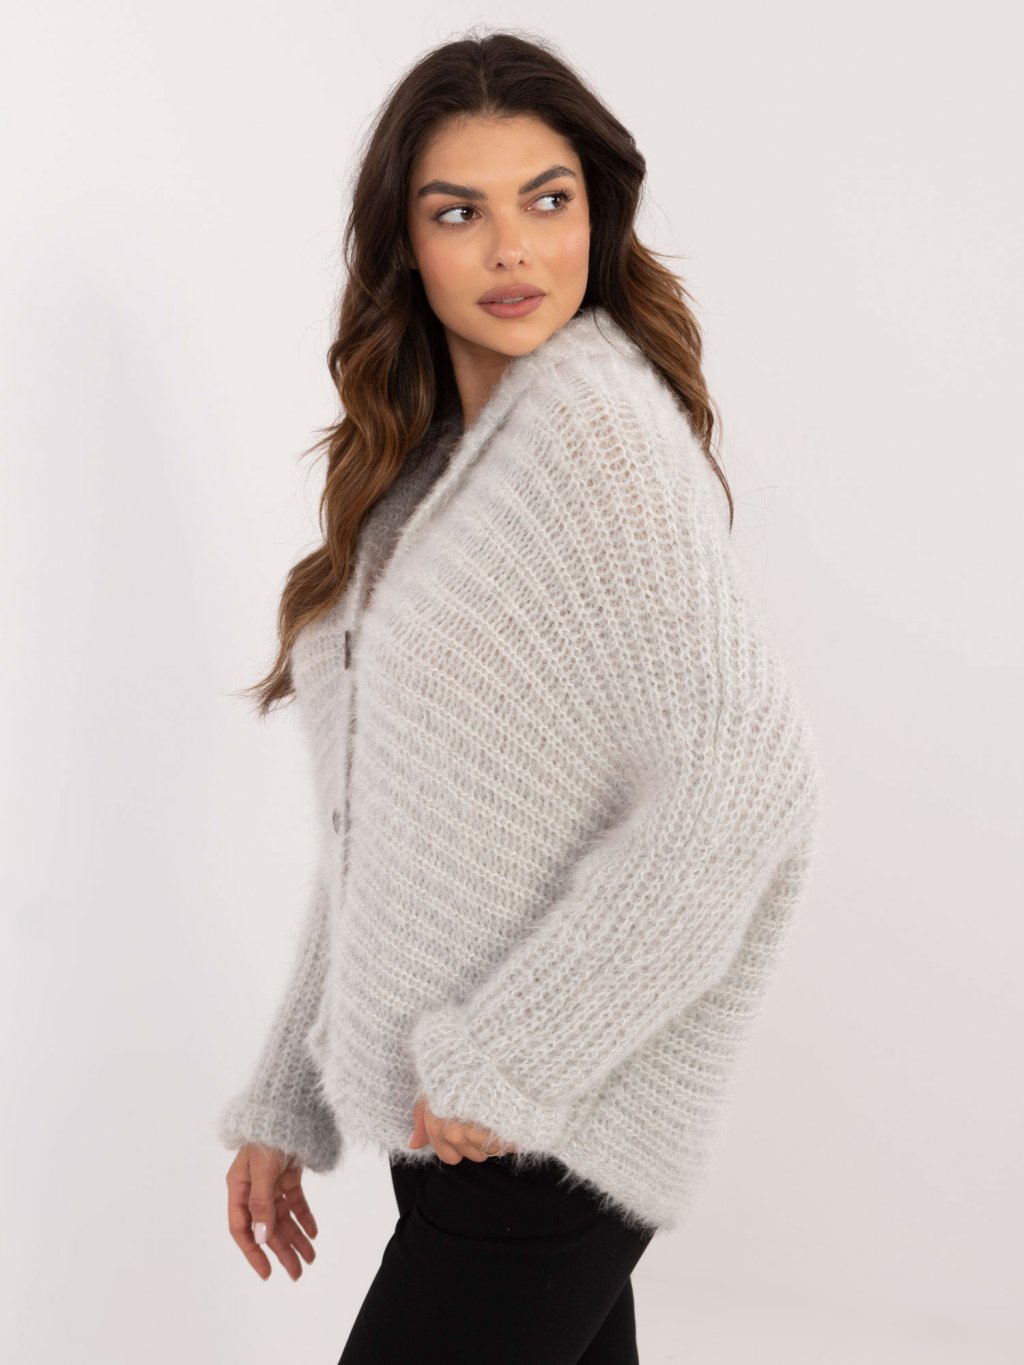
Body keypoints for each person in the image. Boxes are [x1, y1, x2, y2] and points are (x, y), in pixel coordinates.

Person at [218, 29, 823, 1365]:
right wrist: (286, 1089)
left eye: (548, 201)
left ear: (596, 218)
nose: (512, 250)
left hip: (542, 1123)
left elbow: (747, 780)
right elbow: (388, 832)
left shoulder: (593, 436)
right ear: (405, 244)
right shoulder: (428, 479)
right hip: (465, 1118)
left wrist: (518, 1054)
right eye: (460, 213)